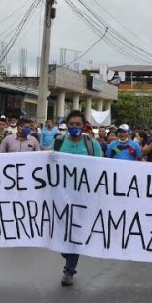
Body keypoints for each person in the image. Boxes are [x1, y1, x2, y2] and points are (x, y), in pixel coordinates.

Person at [53, 110, 102, 287]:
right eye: (71, 125)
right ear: (67, 125)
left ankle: (69, 271)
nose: (74, 128)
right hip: (61, 194)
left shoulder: (92, 144)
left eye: (78, 125)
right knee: (61, 229)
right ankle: (65, 250)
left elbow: (100, 167)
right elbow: (51, 163)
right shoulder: (59, 142)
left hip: (83, 195)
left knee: (75, 231)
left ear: (84, 126)